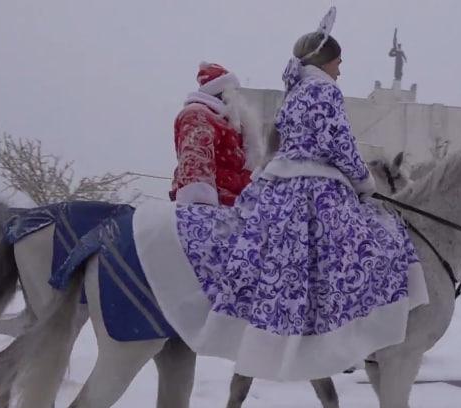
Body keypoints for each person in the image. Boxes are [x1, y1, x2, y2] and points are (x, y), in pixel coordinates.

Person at [171, 10, 428, 380]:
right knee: (373, 244)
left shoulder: (294, 94)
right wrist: (364, 183)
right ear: (325, 61)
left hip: (279, 188)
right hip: (318, 189)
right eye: (339, 62)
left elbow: (278, 144)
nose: (341, 70)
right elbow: (339, 145)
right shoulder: (325, 90)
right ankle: (348, 337)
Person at [170, 62, 264, 207]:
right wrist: (201, 210)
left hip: (233, 208)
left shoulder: (225, 122)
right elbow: (195, 166)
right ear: (226, 92)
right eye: (236, 92)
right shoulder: (198, 115)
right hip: (216, 211)